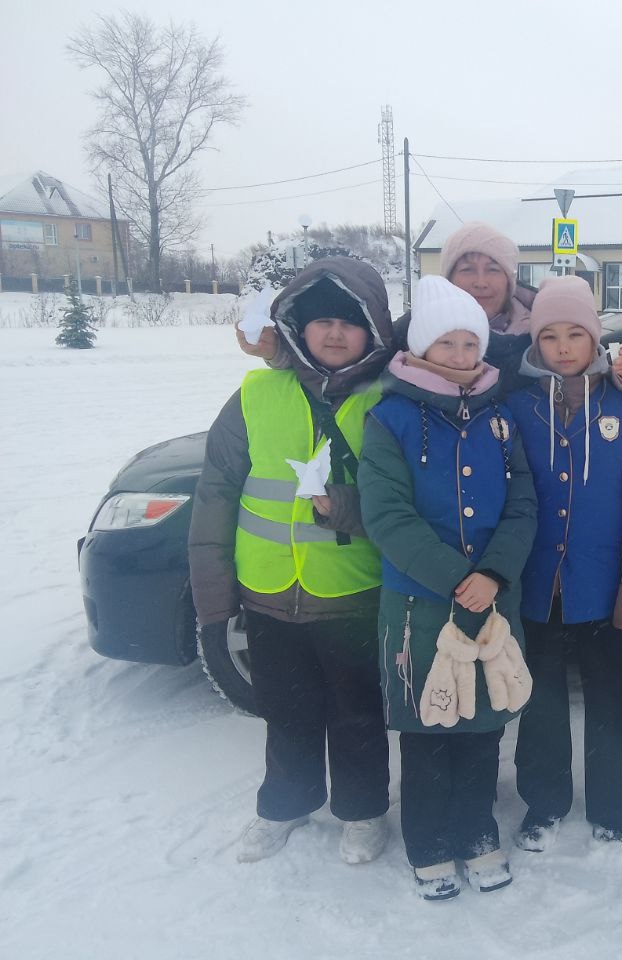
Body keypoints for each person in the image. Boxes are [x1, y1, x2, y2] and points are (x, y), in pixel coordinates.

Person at [189, 257, 393, 865]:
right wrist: (214, 596)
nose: (334, 334)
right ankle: (285, 803)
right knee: (287, 711)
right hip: (268, 591)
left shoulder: (388, 401)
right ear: (297, 329)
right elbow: (217, 493)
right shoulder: (256, 395)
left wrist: (346, 509)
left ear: (374, 333)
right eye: (321, 321)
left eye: (350, 324)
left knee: (357, 713)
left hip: (351, 594)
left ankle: (362, 812)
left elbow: (405, 496)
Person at [357, 276, 537, 901]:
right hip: (419, 605)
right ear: (422, 348)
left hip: (491, 600)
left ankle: (476, 827)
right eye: (447, 343)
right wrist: (458, 578)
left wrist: (492, 575)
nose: (461, 355)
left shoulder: (502, 417)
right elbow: (386, 516)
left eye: (471, 342)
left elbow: (522, 505)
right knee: (428, 726)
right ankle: (428, 838)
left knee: (483, 725)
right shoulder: (390, 419)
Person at [505, 276, 622, 849]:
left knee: (610, 701)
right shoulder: (515, 408)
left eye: (576, 333)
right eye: (549, 335)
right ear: (535, 343)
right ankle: (544, 803)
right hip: (534, 589)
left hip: (604, 590)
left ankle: (613, 805)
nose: (564, 346)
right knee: (540, 702)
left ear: (595, 338)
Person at [238, 222, 622, 399]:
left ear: (509, 278)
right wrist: (280, 352)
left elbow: (590, 374)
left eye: (493, 269)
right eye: (467, 268)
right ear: (450, 276)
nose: (480, 280)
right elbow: (350, 365)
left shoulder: (540, 330)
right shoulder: (414, 331)